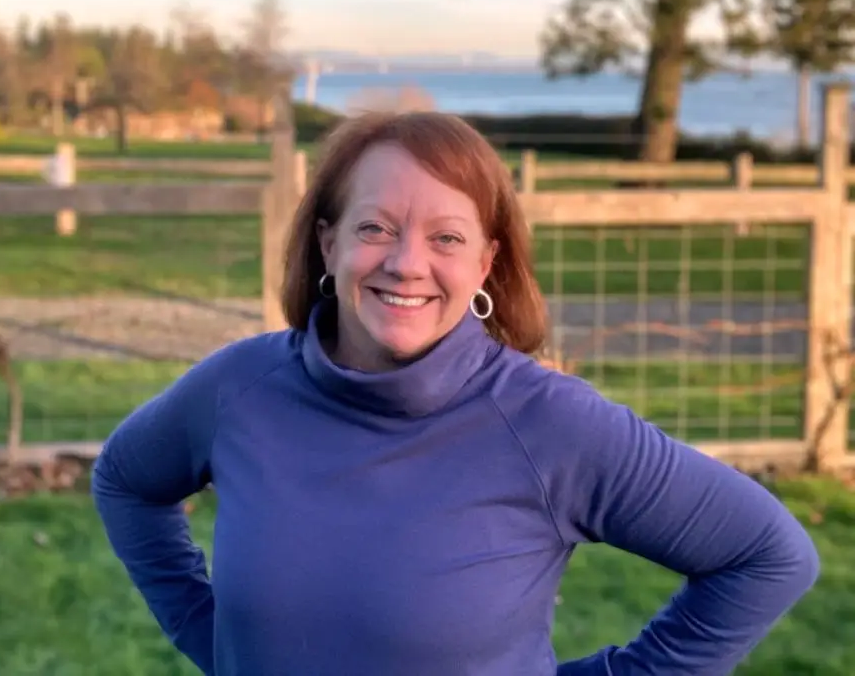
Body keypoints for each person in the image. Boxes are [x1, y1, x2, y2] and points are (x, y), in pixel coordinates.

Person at [91, 111, 820, 676]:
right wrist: (213, 639)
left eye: (446, 237)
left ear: (485, 262)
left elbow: (768, 554)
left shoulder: (548, 424)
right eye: (375, 226)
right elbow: (124, 479)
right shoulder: (238, 389)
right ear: (327, 243)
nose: (407, 264)